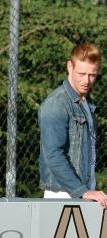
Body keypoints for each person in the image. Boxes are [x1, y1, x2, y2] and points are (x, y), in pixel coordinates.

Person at [39, 42, 107, 208]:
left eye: (92, 75)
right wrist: (81, 191)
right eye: (81, 73)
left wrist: (88, 188)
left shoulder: (85, 104)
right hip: (62, 194)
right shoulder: (57, 103)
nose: (87, 80)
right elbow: (53, 155)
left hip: (82, 192)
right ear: (70, 67)